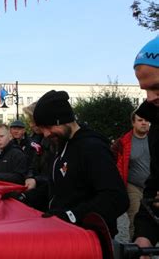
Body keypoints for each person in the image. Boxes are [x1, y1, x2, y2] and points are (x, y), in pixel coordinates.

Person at [8, 90, 129, 237]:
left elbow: (116, 198)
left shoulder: (92, 147)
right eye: (42, 129)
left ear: (63, 120)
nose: (45, 134)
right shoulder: (60, 144)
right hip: (65, 233)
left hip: (89, 238)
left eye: (49, 127)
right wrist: (24, 198)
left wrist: (71, 215)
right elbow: (57, 187)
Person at [131, 36, 159, 250]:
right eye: (145, 90)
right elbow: (154, 187)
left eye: (157, 88)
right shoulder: (156, 124)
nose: (150, 98)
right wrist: (144, 237)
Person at [111, 110, 150, 240]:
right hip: (132, 186)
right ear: (133, 122)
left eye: (146, 120)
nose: (144, 123)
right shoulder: (123, 142)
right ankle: (137, 251)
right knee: (136, 219)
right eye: (140, 120)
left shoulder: (155, 138)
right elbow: (112, 162)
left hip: (152, 187)